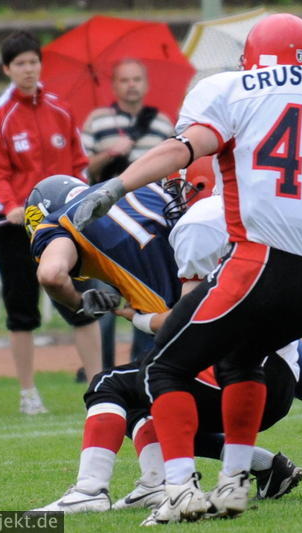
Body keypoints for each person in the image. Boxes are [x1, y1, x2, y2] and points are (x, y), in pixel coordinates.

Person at [71, 13, 302, 525]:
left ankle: (180, 491)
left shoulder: (231, 89)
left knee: (164, 368)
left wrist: (116, 186)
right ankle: (234, 486)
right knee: (242, 360)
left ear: (253, 58)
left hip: (261, 262)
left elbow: (183, 149)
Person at [25, 174, 302, 513]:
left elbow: (51, 275)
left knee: (110, 384)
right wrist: (132, 312)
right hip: (274, 367)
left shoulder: (61, 222)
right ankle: (163, 483)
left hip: (240, 372)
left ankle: (91, 489)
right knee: (144, 393)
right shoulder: (152, 197)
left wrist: (81, 303)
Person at [0, 30, 101, 415]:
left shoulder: (61, 109)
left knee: (81, 302)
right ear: (7, 69)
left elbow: (79, 164)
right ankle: (28, 393)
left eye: (33, 62)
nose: (28, 70)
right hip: (14, 227)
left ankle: (100, 388)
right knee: (21, 311)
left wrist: (79, 200)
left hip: (61, 224)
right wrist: (11, 206)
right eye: (20, 64)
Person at [80, 58, 177, 371]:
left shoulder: (161, 123)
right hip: (106, 226)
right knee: (104, 303)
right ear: (114, 85)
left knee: (149, 301)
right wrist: (110, 153)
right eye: (125, 80)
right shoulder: (98, 121)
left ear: (145, 84)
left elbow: (174, 167)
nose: (131, 85)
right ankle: (103, 373)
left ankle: (144, 369)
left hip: (149, 225)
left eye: (137, 79)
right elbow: (81, 170)